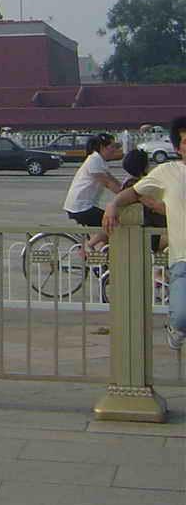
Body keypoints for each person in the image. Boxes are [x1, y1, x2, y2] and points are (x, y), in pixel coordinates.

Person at [103, 115, 186, 351]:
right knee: (182, 316)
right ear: (177, 148)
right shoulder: (167, 172)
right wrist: (113, 205)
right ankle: (175, 328)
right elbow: (135, 192)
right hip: (183, 258)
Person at [61, 133, 123, 253]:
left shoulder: (100, 160)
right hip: (81, 207)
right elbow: (107, 183)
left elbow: (113, 180)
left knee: (108, 231)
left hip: (84, 205)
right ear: (102, 147)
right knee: (113, 223)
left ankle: (99, 256)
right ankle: (87, 246)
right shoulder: (94, 160)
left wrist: (128, 191)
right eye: (112, 147)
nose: (114, 150)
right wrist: (124, 196)